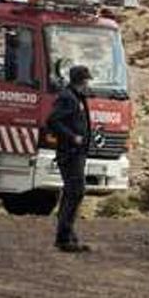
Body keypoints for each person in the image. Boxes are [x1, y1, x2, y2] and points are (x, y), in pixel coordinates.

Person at [46, 65, 93, 253]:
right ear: (80, 80)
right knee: (75, 192)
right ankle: (64, 237)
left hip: (77, 153)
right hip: (70, 153)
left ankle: (68, 235)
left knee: (74, 192)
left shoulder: (76, 97)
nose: (88, 83)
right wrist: (72, 137)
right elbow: (53, 121)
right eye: (86, 80)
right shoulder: (68, 97)